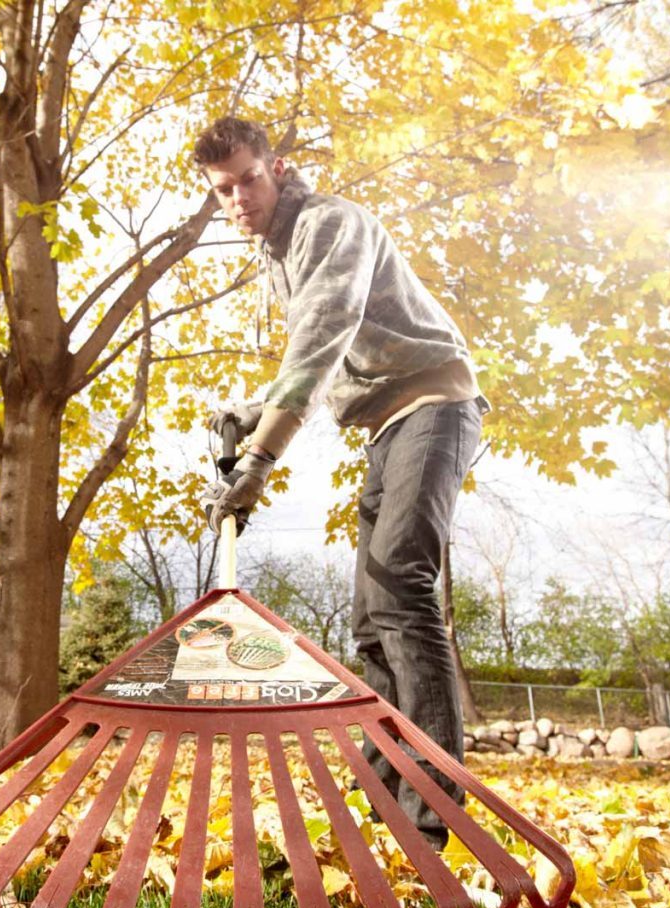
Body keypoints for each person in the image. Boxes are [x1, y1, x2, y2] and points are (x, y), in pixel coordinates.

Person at [194, 116, 487, 851]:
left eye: (248, 180)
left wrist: (261, 458)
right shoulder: (283, 253)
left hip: (436, 405)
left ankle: (430, 815)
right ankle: (386, 802)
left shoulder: (330, 224)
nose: (237, 200)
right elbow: (322, 364)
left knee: (400, 588)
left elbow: (320, 341)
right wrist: (253, 412)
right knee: (368, 618)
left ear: (279, 168)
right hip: (389, 423)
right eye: (222, 191)